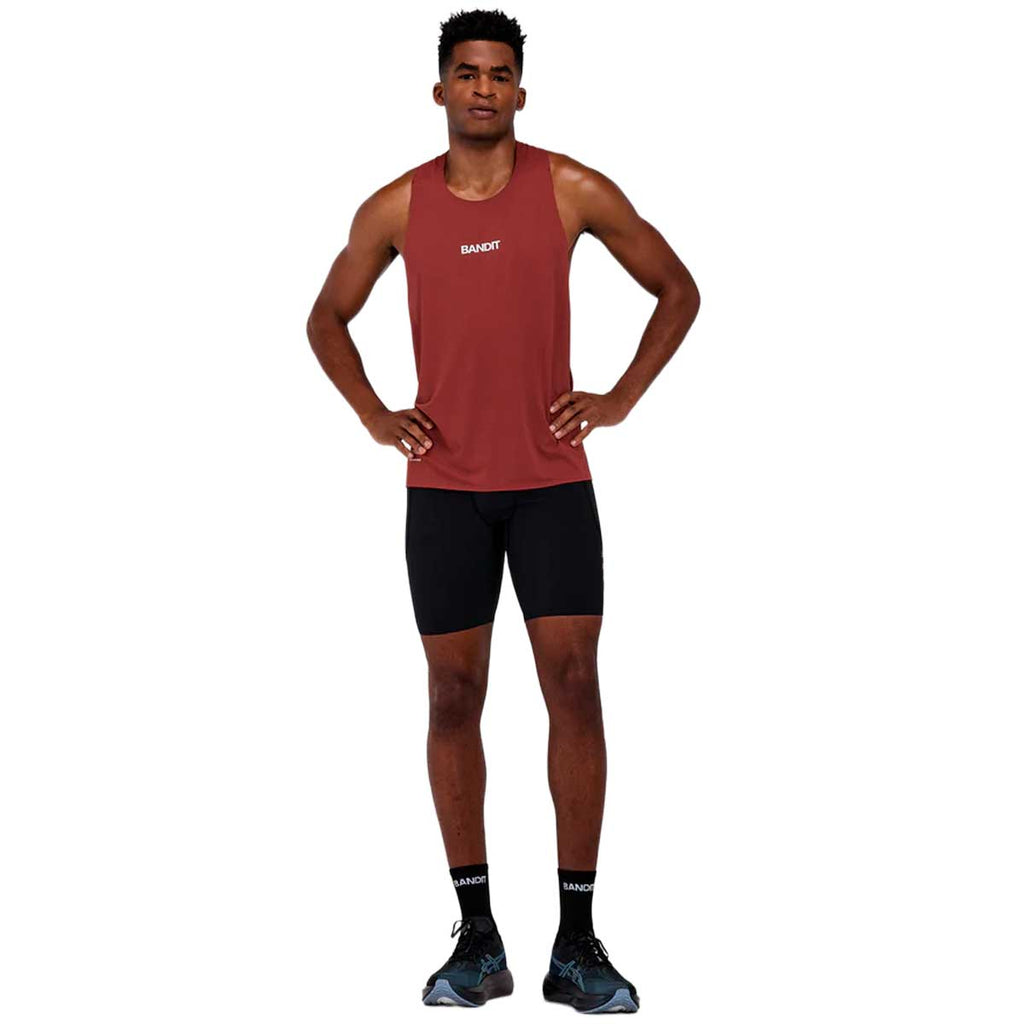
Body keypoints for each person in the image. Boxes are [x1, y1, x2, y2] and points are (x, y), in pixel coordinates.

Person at [306, 9, 699, 1013]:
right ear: (439, 89)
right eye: (467, 72)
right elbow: (326, 316)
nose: (483, 88)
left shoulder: (569, 189)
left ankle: (577, 941)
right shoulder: (396, 207)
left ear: (521, 91)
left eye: (499, 74)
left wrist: (620, 398)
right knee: (451, 697)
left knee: (574, 685)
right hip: (444, 491)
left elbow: (677, 289)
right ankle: (477, 937)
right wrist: (373, 413)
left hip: (551, 483)